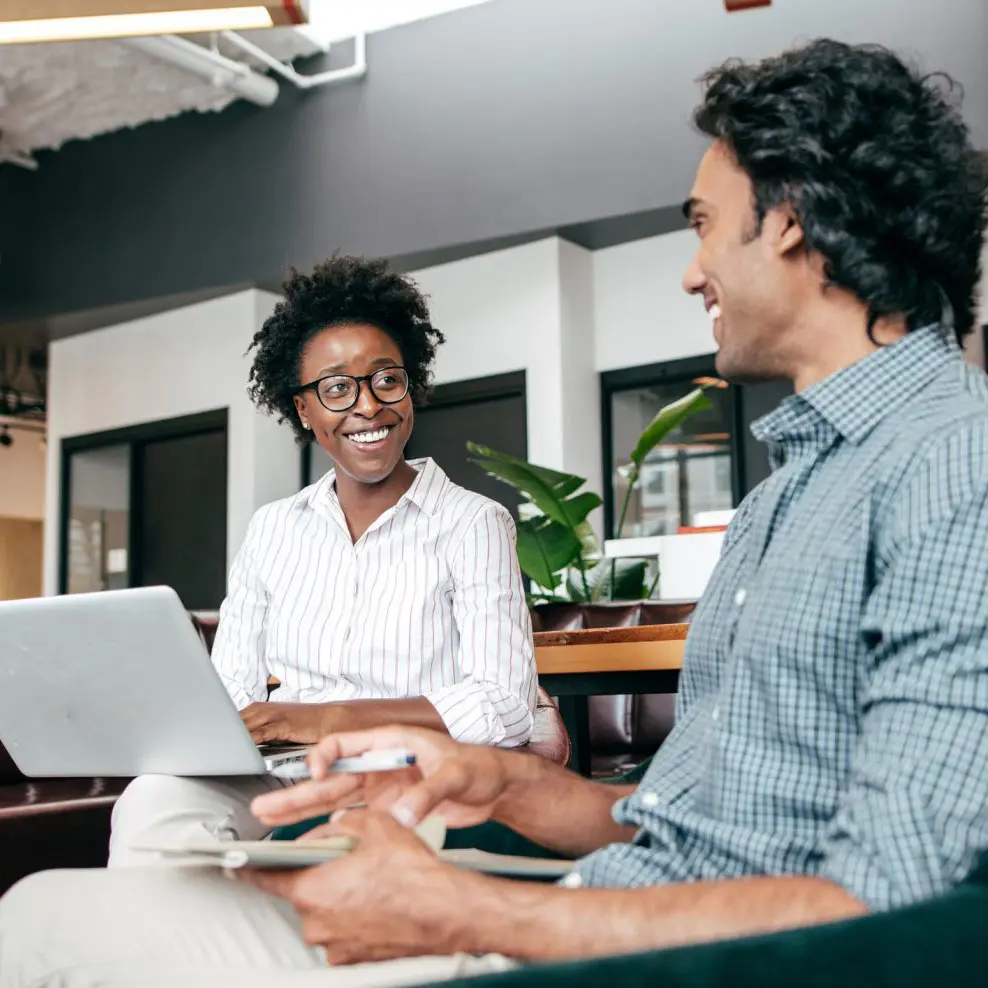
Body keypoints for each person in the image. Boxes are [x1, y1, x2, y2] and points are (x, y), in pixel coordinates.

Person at [3, 36, 988, 988]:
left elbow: (889, 902)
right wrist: (499, 784)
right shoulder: (787, 494)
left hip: (613, 952)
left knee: (38, 939)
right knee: (39, 904)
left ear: (786, 222)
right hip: (586, 914)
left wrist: (469, 912)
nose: (692, 271)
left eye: (698, 222)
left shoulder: (955, 466)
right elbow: (674, 826)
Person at [107, 255, 537, 866]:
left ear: (410, 386)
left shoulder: (473, 522)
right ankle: (182, 954)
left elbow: (504, 706)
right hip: (282, 772)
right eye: (336, 388)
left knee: (324, 842)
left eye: (386, 379)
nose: (368, 406)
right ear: (304, 411)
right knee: (153, 806)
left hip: (405, 775)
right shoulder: (274, 528)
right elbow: (233, 689)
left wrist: (326, 718)